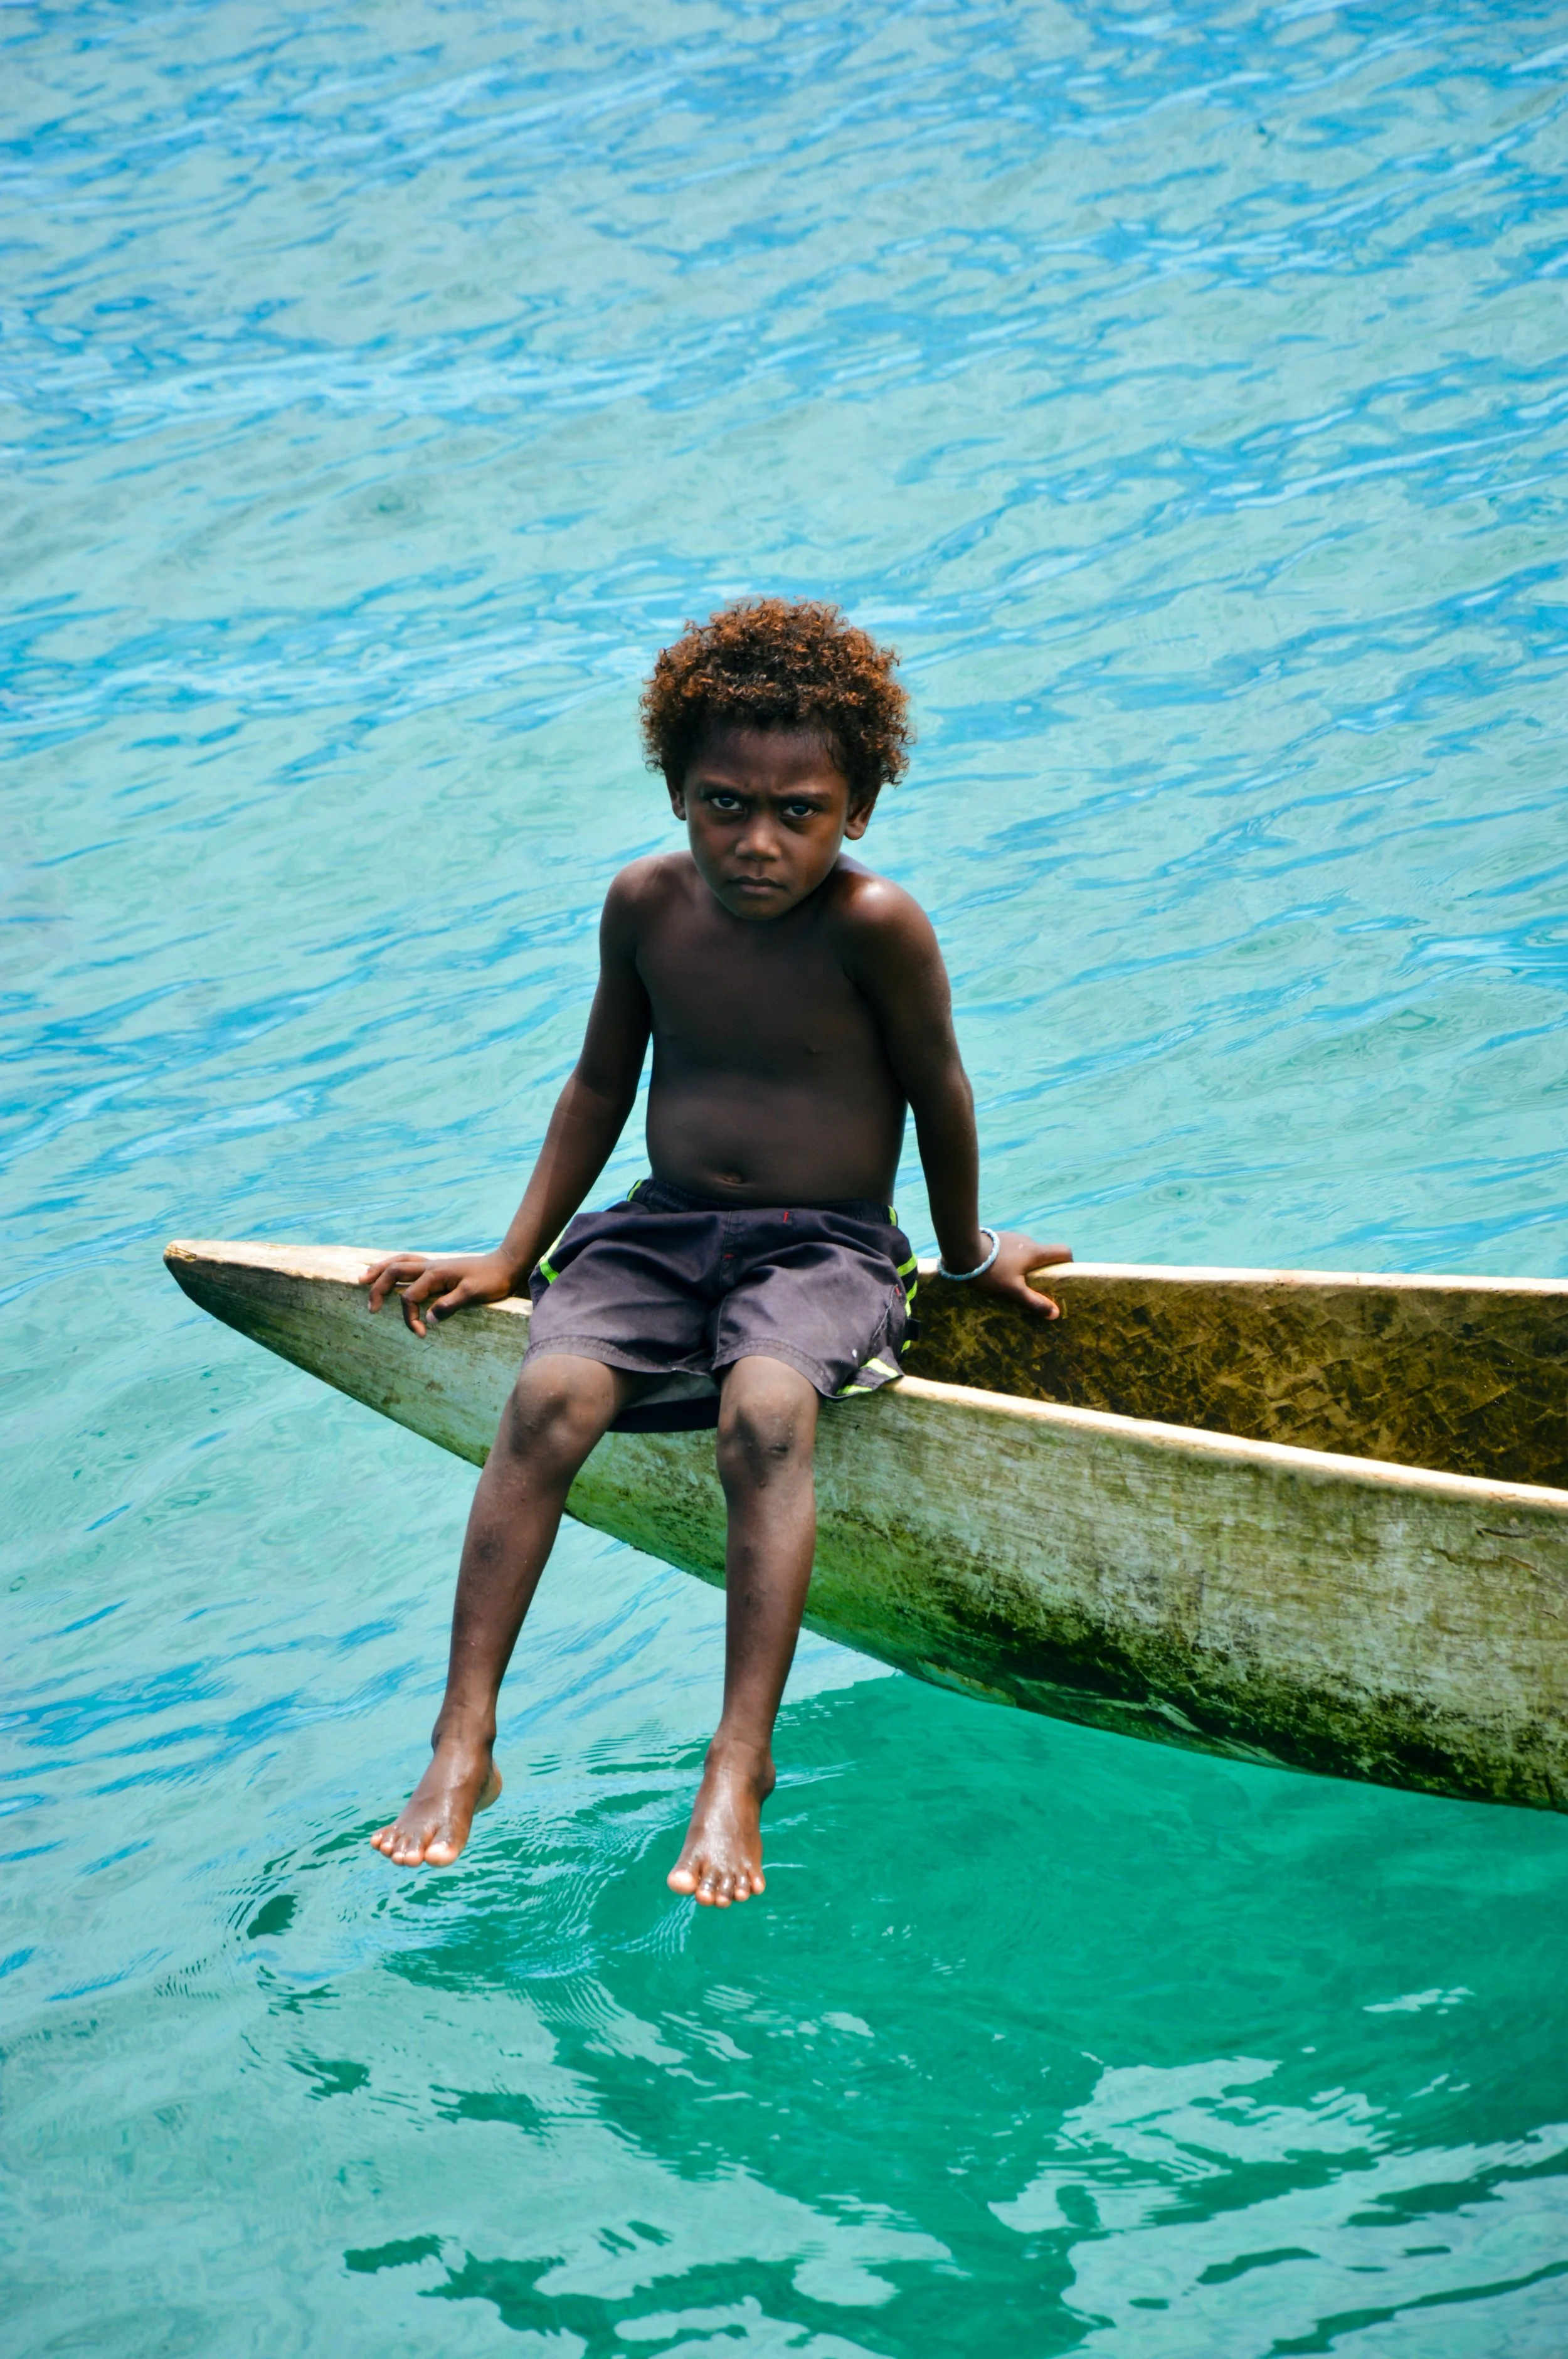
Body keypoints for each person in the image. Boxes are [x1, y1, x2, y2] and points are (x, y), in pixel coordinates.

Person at [361, 599, 1071, 1905]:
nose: (756, 839)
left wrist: (966, 1256)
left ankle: (738, 1760)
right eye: (720, 802)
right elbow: (594, 1086)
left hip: (829, 1249)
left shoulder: (878, 926)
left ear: (855, 810)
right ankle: (464, 1735)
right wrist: (514, 1257)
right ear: (676, 793)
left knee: (762, 1408)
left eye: (796, 809)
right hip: (662, 1229)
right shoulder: (642, 906)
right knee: (546, 1397)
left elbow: (940, 1096)